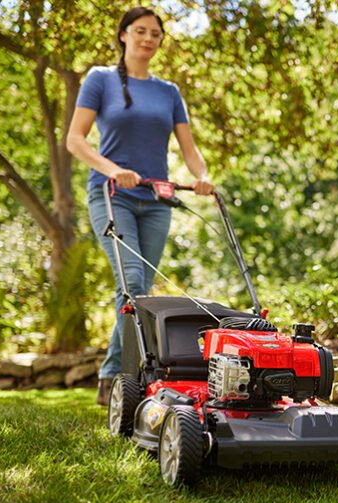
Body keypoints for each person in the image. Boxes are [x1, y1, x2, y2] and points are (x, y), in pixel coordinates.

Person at [66, 6, 214, 405]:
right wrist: (113, 170)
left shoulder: (168, 92)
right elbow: (75, 140)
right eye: (140, 31)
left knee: (141, 291)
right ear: (124, 35)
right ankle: (116, 375)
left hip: (156, 199)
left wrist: (202, 176)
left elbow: (188, 147)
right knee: (131, 282)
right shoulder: (100, 79)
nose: (148, 39)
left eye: (155, 34)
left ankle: (120, 375)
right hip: (111, 195)